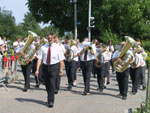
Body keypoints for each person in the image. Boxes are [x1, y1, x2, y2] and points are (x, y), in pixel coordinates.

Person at [35, 33, 64, 108]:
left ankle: (51, 101)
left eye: (51, 38)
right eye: (49, 38)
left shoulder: (58, 47)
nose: (50, 39)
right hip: (45, 67)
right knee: (47, 84)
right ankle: (49, 98)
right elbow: (39, 59)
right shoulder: (43, 47)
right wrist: (37, 70)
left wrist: (61, 70)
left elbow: (61, 60)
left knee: (52, 84)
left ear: (54, 39)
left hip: (54, 67)